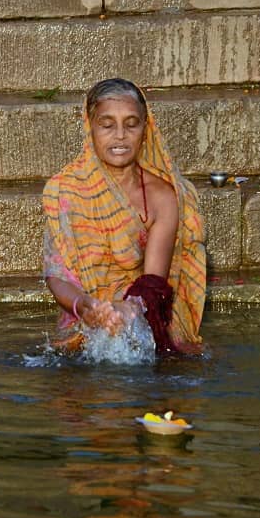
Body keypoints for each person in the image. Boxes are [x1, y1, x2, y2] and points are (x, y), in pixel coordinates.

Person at [41, 78, 205, 354]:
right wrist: (86, 307)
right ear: (90, 128)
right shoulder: (65, 190)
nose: (119, 135)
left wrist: (128, 309)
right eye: (107, 125)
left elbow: (154, 283)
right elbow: (57, 276)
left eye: (131, 124)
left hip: (140, 313)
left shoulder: (162, 196)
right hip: (83, 317)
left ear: (145, 128)